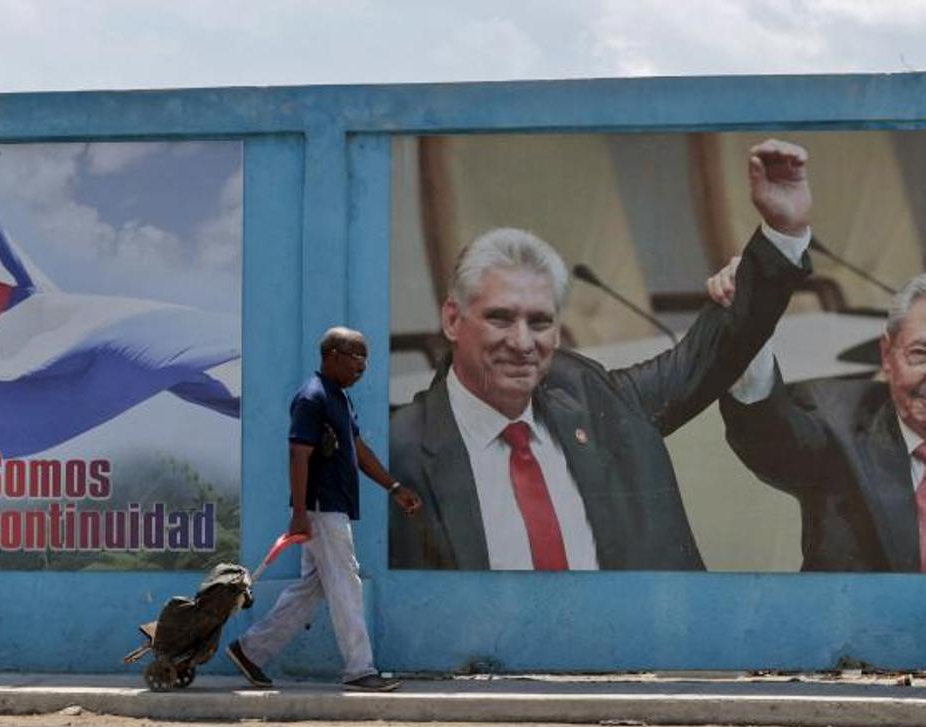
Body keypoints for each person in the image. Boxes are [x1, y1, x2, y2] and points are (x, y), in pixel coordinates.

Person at [388, 139, 813, 571]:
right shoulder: (398, 451)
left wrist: (781, 234)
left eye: (539, 322)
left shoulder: (586, 395)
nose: (521, 343)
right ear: (453, 320)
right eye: (500, 319)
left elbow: (702, 358)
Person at [228, 327, 423, 690]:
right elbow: (298, 455)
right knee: (347, 586)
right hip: (321, 509)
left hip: (333, 507)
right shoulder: (312, 397)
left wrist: (394, 487)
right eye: (356, 359)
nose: (362, 368)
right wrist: (300, 511)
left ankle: (251, 650)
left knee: (312, 589)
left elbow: (358, 449)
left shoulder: (339, 398)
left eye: (366, 360)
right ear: (332, 355)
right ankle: (360, 669)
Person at [713, 265, 926, 572]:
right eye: (920, 353)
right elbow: (769, 436)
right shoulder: (839, 420)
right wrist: (750, 324)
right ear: (887, 355)